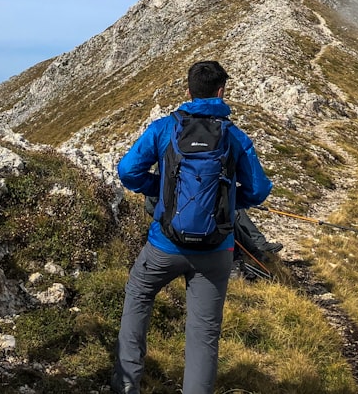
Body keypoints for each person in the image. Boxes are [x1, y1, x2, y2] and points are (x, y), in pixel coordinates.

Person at [113, 60, 273, 394]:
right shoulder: (234, 136)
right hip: (216, 251)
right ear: (221, 91)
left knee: (138, 295)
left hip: (164, 246)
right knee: (203, 332)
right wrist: (228, 205)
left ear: (187, 91)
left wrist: (157, 190)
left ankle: (126, 385)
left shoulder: (164, 129)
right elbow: (258, 190)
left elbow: (127, 171)